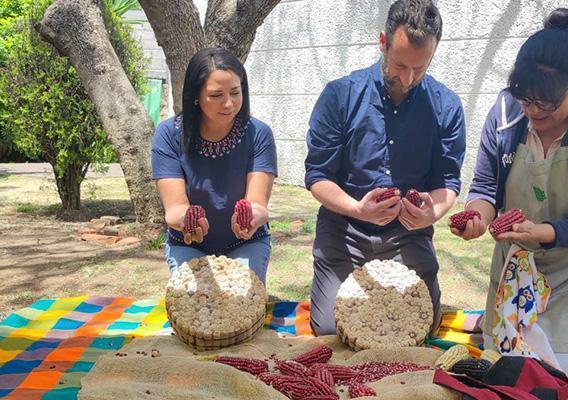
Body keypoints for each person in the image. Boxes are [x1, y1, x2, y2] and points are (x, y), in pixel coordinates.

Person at [453, 8, 568, 378]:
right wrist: (478, 216)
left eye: (547, 103)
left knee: (557, 370)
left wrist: (543, 232)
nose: (533, 110)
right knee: (503, 364)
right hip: (518, 256)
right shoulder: (505, 114)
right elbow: (486, 187)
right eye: (526, 99)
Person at [304, 0, 466, 336]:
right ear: (383, 42)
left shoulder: (446, 106)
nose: (407, 78)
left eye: (419, 69)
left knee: (420, 327)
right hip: (344, 230)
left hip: (407, 233)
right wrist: (358, 209)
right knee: (333, 329)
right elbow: (317, 176)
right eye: (399, 65)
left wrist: (432, 212)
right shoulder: (340, 96)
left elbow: (448, 181)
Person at [151, 47, 277, 282]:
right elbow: (175, 208)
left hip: (246, 241)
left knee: (240, 305)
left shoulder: (259, 134)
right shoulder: (168, 135)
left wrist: (250, 217)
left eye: (235, 93)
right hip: (188, 245)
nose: (228, 104)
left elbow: (257, 203)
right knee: (194, 311)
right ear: (196, 96)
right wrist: (189, 220)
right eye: (216, 95)